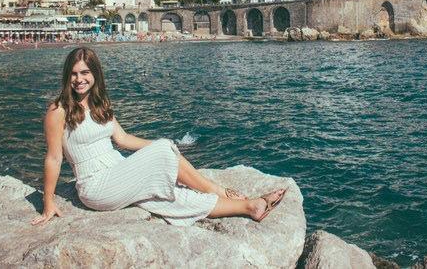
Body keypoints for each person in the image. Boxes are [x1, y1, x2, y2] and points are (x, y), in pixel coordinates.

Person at [32, 47, 286, 226]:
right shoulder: (59, 110)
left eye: (85, 72)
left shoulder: (99, 104)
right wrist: (48, 202)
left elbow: (122, 139)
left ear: (95, 74)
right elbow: (54, 158)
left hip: (117, 170)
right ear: (68, 76)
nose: (79, 79)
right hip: (95, 186)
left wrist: (164, 149)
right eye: (74, 74)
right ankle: (216, 189)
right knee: (165, 152)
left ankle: (250, 207)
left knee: (172, 196)